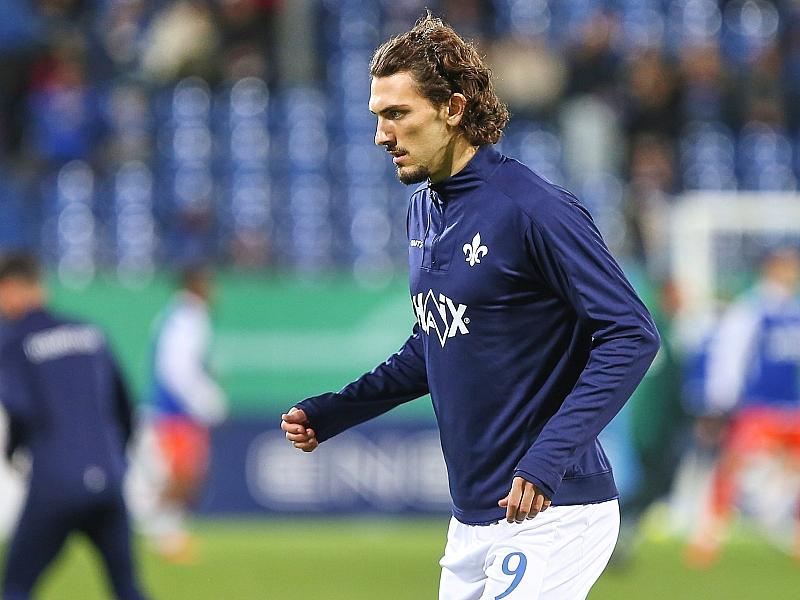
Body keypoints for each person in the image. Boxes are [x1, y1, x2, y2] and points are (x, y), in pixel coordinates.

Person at [281, 13, 660, 600]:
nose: (382, 135)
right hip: (474, 519)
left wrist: (547, 459)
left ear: (453, 109)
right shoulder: (424, 210)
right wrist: (337, 412)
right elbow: (437, 339)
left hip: (553, 510)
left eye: (397, 114)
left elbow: (632, 334)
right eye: (378, 116)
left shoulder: (534, 209)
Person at [0, 253, 148, 600]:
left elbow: (20, 409)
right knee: (127, 588)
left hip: (56, 483)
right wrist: (116, 460)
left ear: (11, 288)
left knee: (16, 587)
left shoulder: (15, 344)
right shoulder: (89, 332)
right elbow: (125, 408)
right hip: (108, 480)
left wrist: (13, 450)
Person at [686, 248, 800, 568]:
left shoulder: (793, 311)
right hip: (759, 407)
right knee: (732, 468)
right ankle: (709, 534)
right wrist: (720, 402)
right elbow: (730, 356)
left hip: (791, 407)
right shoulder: (752, 309)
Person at [137, 264, 226, 563]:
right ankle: (163, 532)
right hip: (176, 412)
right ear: (197, 285)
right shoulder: (188, 318)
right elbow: (177, 369)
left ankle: (165, 531)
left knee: (185, 475)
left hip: (175, 410)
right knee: (184, 474)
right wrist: (206, 400)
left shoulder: (177, 316)